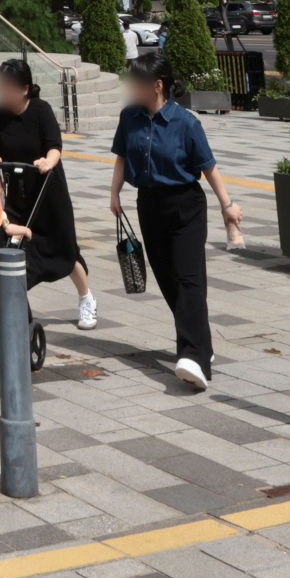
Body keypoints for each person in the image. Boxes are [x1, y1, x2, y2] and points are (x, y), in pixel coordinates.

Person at [108, 49, 243, 391]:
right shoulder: (130, 117)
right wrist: (114, 194)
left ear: (157, 85)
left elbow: (208, 166)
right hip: (149, 205)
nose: (131, 87)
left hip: (186, 206)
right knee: (168, 280)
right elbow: (122, 156)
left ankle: (193, 357)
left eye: (136, 81)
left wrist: (227, 205)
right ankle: (202, 345)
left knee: (187, 279)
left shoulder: (186, 122)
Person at [0, 57, 96, 328]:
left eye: (8, 87)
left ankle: (86, 300)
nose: (3, 93)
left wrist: (48, 161)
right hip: (19, 195)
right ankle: (9, 309)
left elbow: (54, 145)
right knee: (16, 247)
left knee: (64, 250)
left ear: (24, 89)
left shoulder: (41, 110)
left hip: (49, 191)